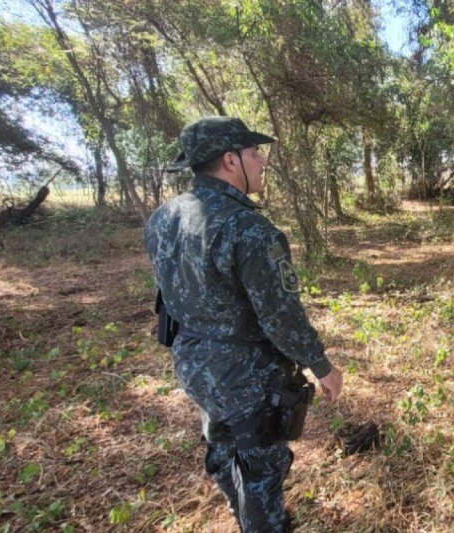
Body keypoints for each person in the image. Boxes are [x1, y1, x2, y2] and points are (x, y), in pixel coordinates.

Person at [144, 116, 343, 532]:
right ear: (231, 161)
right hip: (247, 375)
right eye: (254, 152)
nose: (263, 161)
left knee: (224, 450)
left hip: (194, 364)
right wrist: (322, 367)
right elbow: (280, 316)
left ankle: (251, 518)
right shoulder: (249, 228)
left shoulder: (163, 218)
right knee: (262, 469)